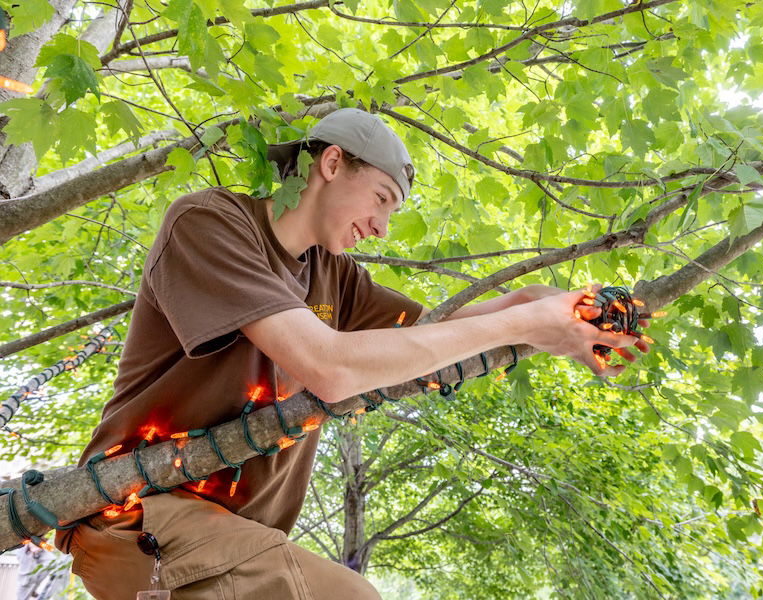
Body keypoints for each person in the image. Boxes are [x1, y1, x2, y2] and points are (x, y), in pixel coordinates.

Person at [55, 108, 647, 599]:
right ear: (332, 164)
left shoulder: (334, 277)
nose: (384, 227)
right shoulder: (211, 222)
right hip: (138, 516)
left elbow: (435, 338)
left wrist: (549, 308)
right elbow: (332, 367)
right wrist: (524, 321)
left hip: (232, 535)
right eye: (383, 198)